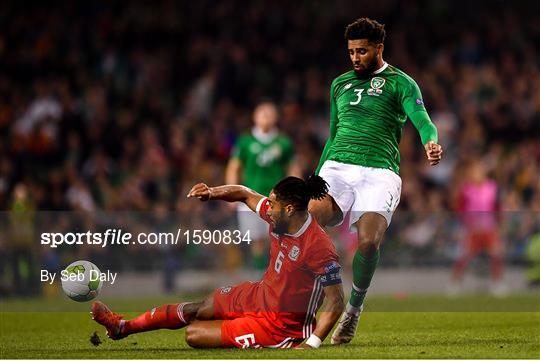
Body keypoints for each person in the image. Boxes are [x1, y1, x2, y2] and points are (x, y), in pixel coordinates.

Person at [307, 18, 443, 344]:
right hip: (337, 167)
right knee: (308, 222)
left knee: (368, 242)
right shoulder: (338, 84)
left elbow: (422, 120)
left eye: (362, 51)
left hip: (379, 171)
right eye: (351, 51)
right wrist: (316, 173)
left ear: (379, 48)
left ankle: (353, 309)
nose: (355, 57)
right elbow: (332, 134)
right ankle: (312, 299)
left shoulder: (401, 83)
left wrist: (430, 141)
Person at [92, 175, 344, 349]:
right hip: (258, 296)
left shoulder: (319, 247)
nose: (268, 209)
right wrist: (212, 192)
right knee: (198, 308)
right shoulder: (277, 215)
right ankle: (122, 327)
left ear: (289, 209)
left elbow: (336, 300)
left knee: (194, 334)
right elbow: (244, 193)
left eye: (274, 205)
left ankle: (241, 330)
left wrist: (311, 345)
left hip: (280, 327)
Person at [226, 101, 300, 270]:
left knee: (277, 239)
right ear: (255, 117)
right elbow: (234, 167)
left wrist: (297, 194)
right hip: (250, 198)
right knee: (256, 240)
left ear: (276, 118)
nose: (266, 116)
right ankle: (260, 276)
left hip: (277, 200)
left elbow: (293, 168)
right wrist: (231, 195)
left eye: (269, 113)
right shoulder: (245, 142)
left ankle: (275, 277)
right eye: (262, 113)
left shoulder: (283, 142)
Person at [450, 160, 505, 296]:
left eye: (478, 170)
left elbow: (497, 207)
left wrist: (500, 224)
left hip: (489, 227)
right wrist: (463, 225)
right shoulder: (466, 189)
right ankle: (455, 283)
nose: (476, 174)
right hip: (472, 228)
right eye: (474, 171)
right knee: (464, 256)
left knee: (496, 255)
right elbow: (460, 208)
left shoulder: (492, 187)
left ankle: (496, 284)